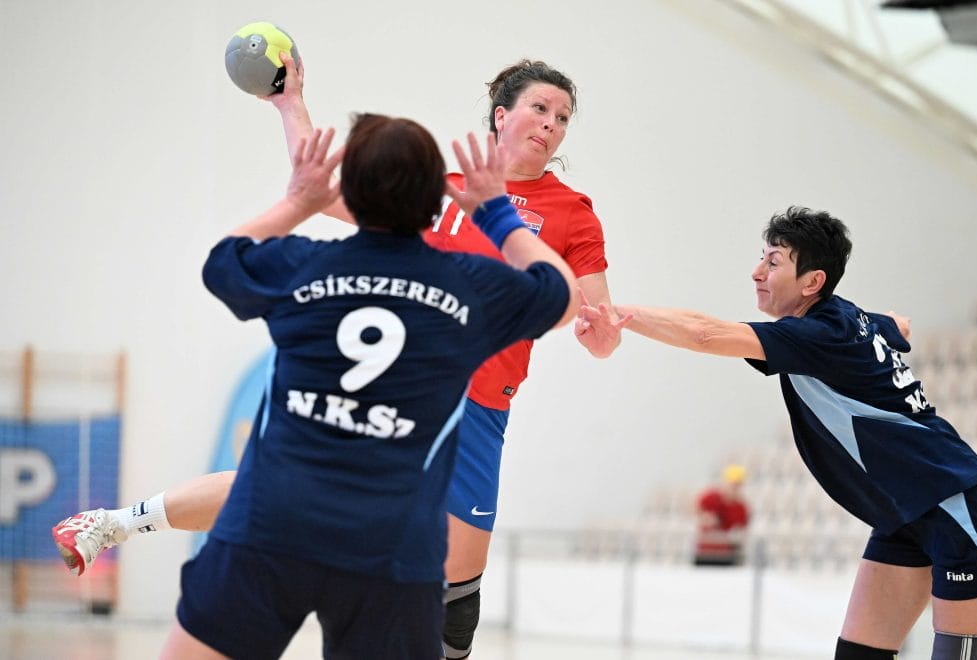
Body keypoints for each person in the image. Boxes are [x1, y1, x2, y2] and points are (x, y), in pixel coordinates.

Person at [51, 55, 627, 659]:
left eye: (563, 117)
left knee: (457, 596)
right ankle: (117, 522)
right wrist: (291, 105)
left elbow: (596, 320)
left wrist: (602, 335)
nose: (551, 124)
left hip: (480, 406)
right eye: (540, 108)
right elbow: (333, 194)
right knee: (289, 488)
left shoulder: (572, 212)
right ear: (501, 115)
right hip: (398, 386)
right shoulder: (440, 192)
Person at [155, 114, 577, 658]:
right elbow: (561, 295)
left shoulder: (302, 265)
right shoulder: (470, 288)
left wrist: (300, 201)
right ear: (433, 204)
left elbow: (222, 263)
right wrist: (494, 211)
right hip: (392, 547)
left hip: (273, 525)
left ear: (349, 192)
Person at [578, 206, 977, 659]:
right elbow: (896, 326)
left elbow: (705, 334)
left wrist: (613, 313)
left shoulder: (820, 335)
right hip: (903, 514)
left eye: (773, 263)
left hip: (955, 502)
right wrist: (893, 324)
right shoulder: (844, 318)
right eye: (761, 258)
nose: (757, 272)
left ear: (813, 282)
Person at [693, 463, 750, 566]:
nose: (735, 488)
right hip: (705, 551)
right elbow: (695, 509)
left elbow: (742, 531)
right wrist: (704, 517)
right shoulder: (711, 497)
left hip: (726, 554)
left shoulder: (741, 507)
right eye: (733, 484)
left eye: (738, 485)